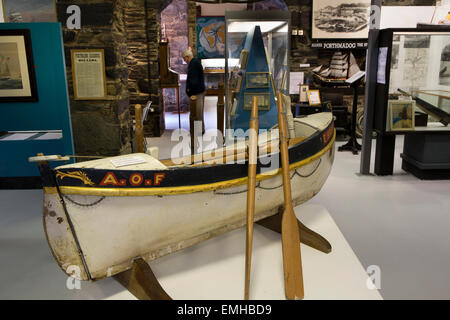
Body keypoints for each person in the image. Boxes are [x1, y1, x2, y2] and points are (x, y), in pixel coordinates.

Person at [182, 49, 205, 134]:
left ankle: (199, 131)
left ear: (187, 57)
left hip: (197, 92)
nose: (185, 61)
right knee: (198, 112)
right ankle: (199, 129)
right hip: (198, 91)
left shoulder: (193, 64)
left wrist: (189, 90)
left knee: (197, 112)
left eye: (184, 59)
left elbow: (194, 81)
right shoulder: (194, 63)